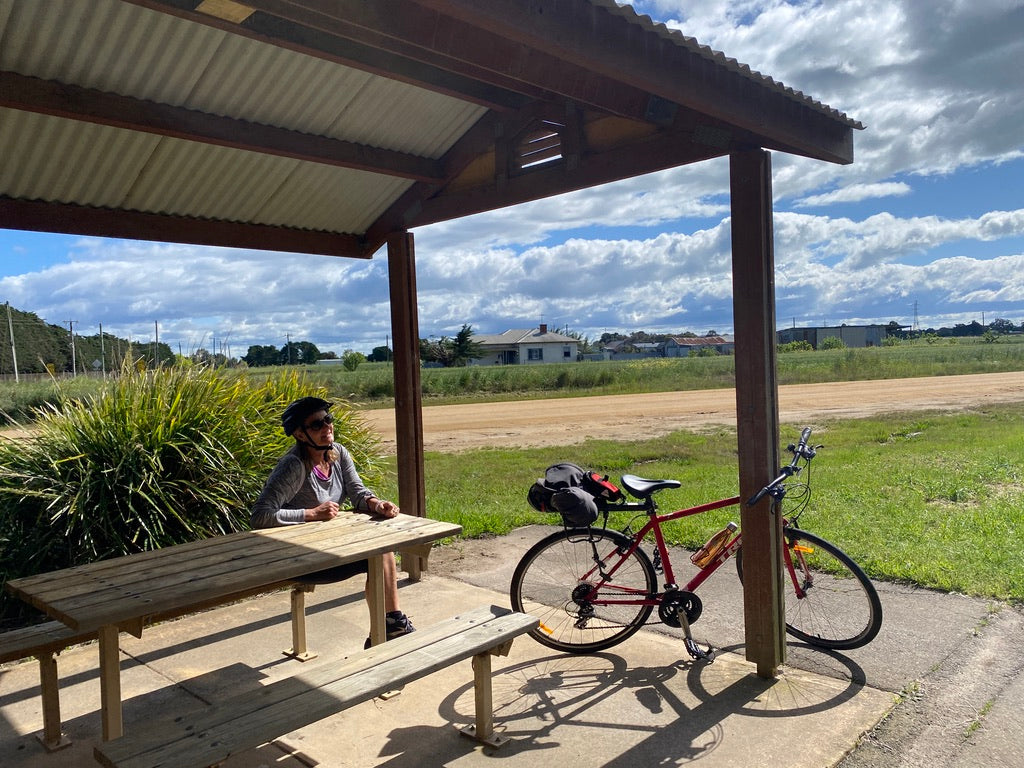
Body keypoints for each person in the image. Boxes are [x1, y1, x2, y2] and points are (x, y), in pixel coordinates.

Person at [251, 396, 414, 647]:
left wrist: (376, 504)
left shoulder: (338, 454)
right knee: (379, 554)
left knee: (382, 550)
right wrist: (311, 514)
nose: (327, 426)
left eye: (328, 420)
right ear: (300, 434)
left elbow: (357, 492)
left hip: (332, 549)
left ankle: (388, 626)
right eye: (317, 424)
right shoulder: (295, 466)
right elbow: (261, 516)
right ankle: (388, 629)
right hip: (302, 558)